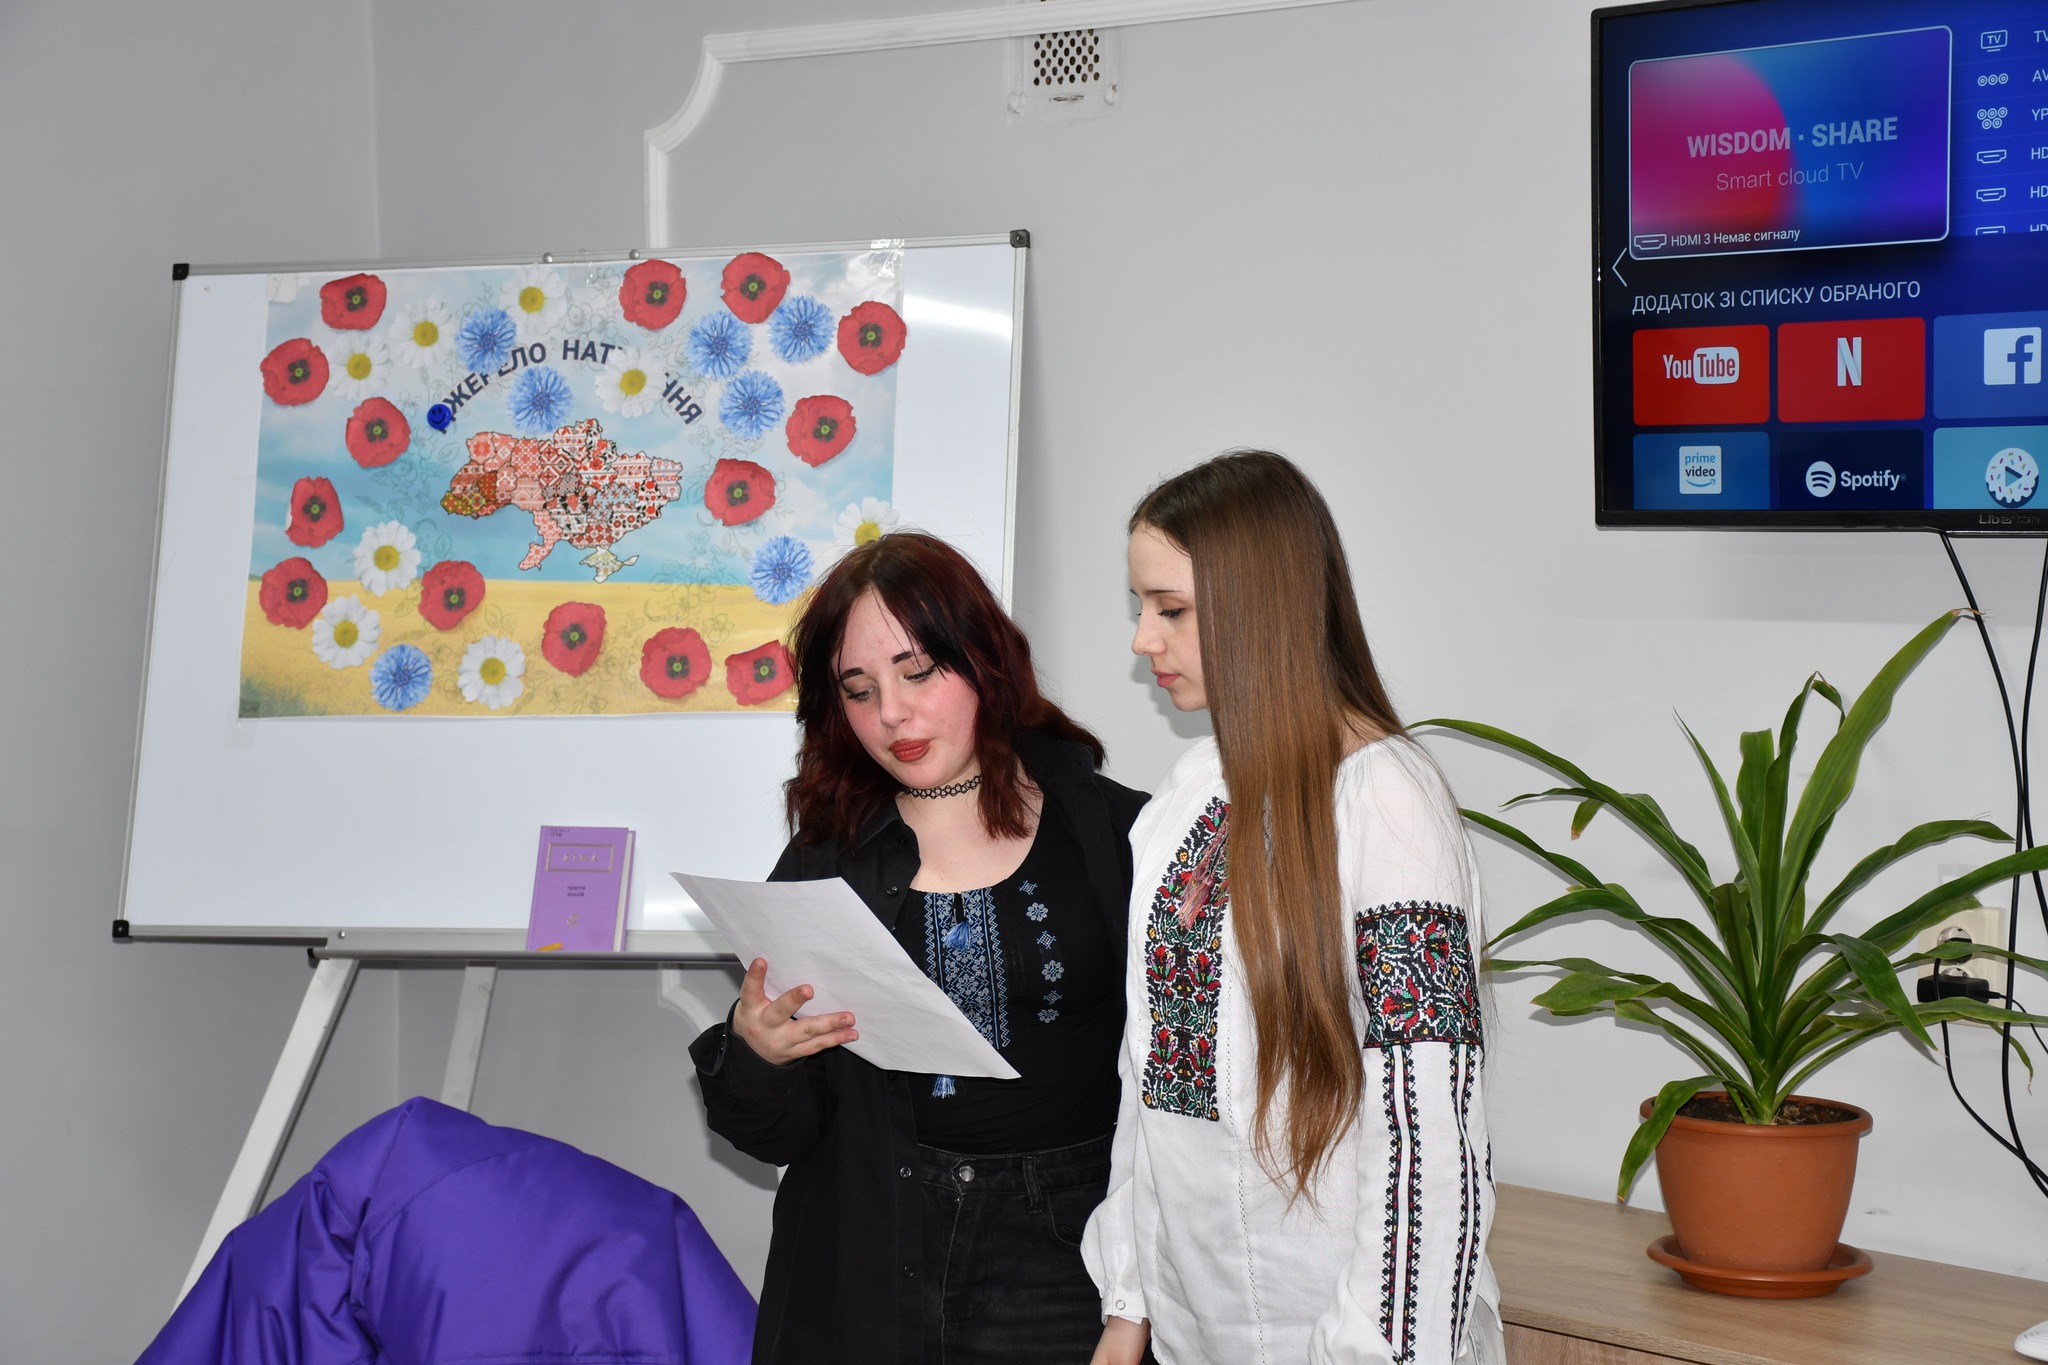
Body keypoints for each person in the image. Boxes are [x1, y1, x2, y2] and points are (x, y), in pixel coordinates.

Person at [689, 532, 1151, 1365]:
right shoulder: (826, 856)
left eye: (918, 672)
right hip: (870, 1256)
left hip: (1068, 1262)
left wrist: (1141, 1297)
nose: (890, 715)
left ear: (984, 660)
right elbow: (777, 1134)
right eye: (859, 690)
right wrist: (758, 1054)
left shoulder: (1116, 831)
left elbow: (1187, 1088)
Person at [1085, 451, 1501, 1365]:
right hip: (1201, 1334)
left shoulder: (1388, 805)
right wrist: (1129, 1299)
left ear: (1259, 605)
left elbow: (1426, 1137)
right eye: (1141, 606)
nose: (1143, 639)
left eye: (1171, 609)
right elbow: (1150, 1080)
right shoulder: (1188, 794)